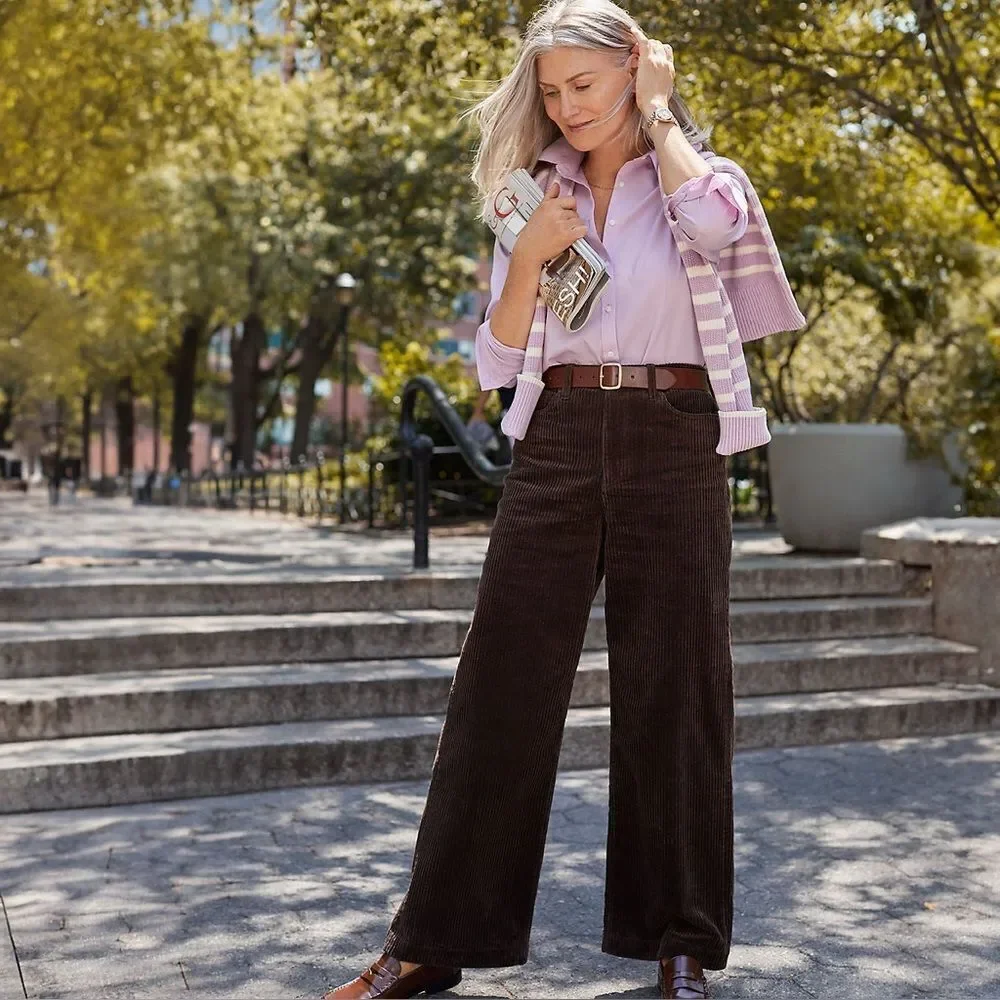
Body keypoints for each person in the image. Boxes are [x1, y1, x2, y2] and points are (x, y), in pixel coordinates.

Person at [323, 1, 804, 998]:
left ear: (634, 69)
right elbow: (496, 358)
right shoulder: (529, 195)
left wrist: (664, 122)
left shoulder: (693, 172)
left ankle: (678, 942)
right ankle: (431, 939)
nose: (566, 106)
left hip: (675, 429)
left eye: (583, 84)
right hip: (559, 436)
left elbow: (716, 229)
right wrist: (534, 253)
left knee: (675, 688)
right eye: (550, 92)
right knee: (497, 682)